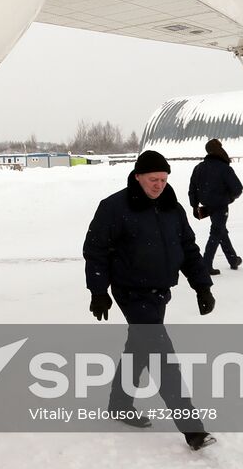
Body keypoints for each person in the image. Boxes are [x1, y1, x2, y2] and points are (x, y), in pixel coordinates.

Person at [83, 149, 217, 451]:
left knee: (140, 346)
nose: (159, 185)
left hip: (159, 291)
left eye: (163, 179)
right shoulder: (114, 207)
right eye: (153, 179)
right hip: (130, 291)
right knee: (160, 354)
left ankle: (119, 404)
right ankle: (192, 429)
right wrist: (98, 291)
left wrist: (202, 286)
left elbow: (188, 248)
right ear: (138, 177)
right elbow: (95, 250)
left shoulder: (172, 207)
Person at [189, 139, 243, 275]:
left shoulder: (199, 168)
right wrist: (228, 198)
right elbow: (238, 189)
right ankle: (206, 264)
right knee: (216, 233)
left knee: (220, 231)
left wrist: (194, 206)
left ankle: (233, 260)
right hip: (220, 207)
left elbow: (192, 189)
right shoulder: (224, 168)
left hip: (208, 206)